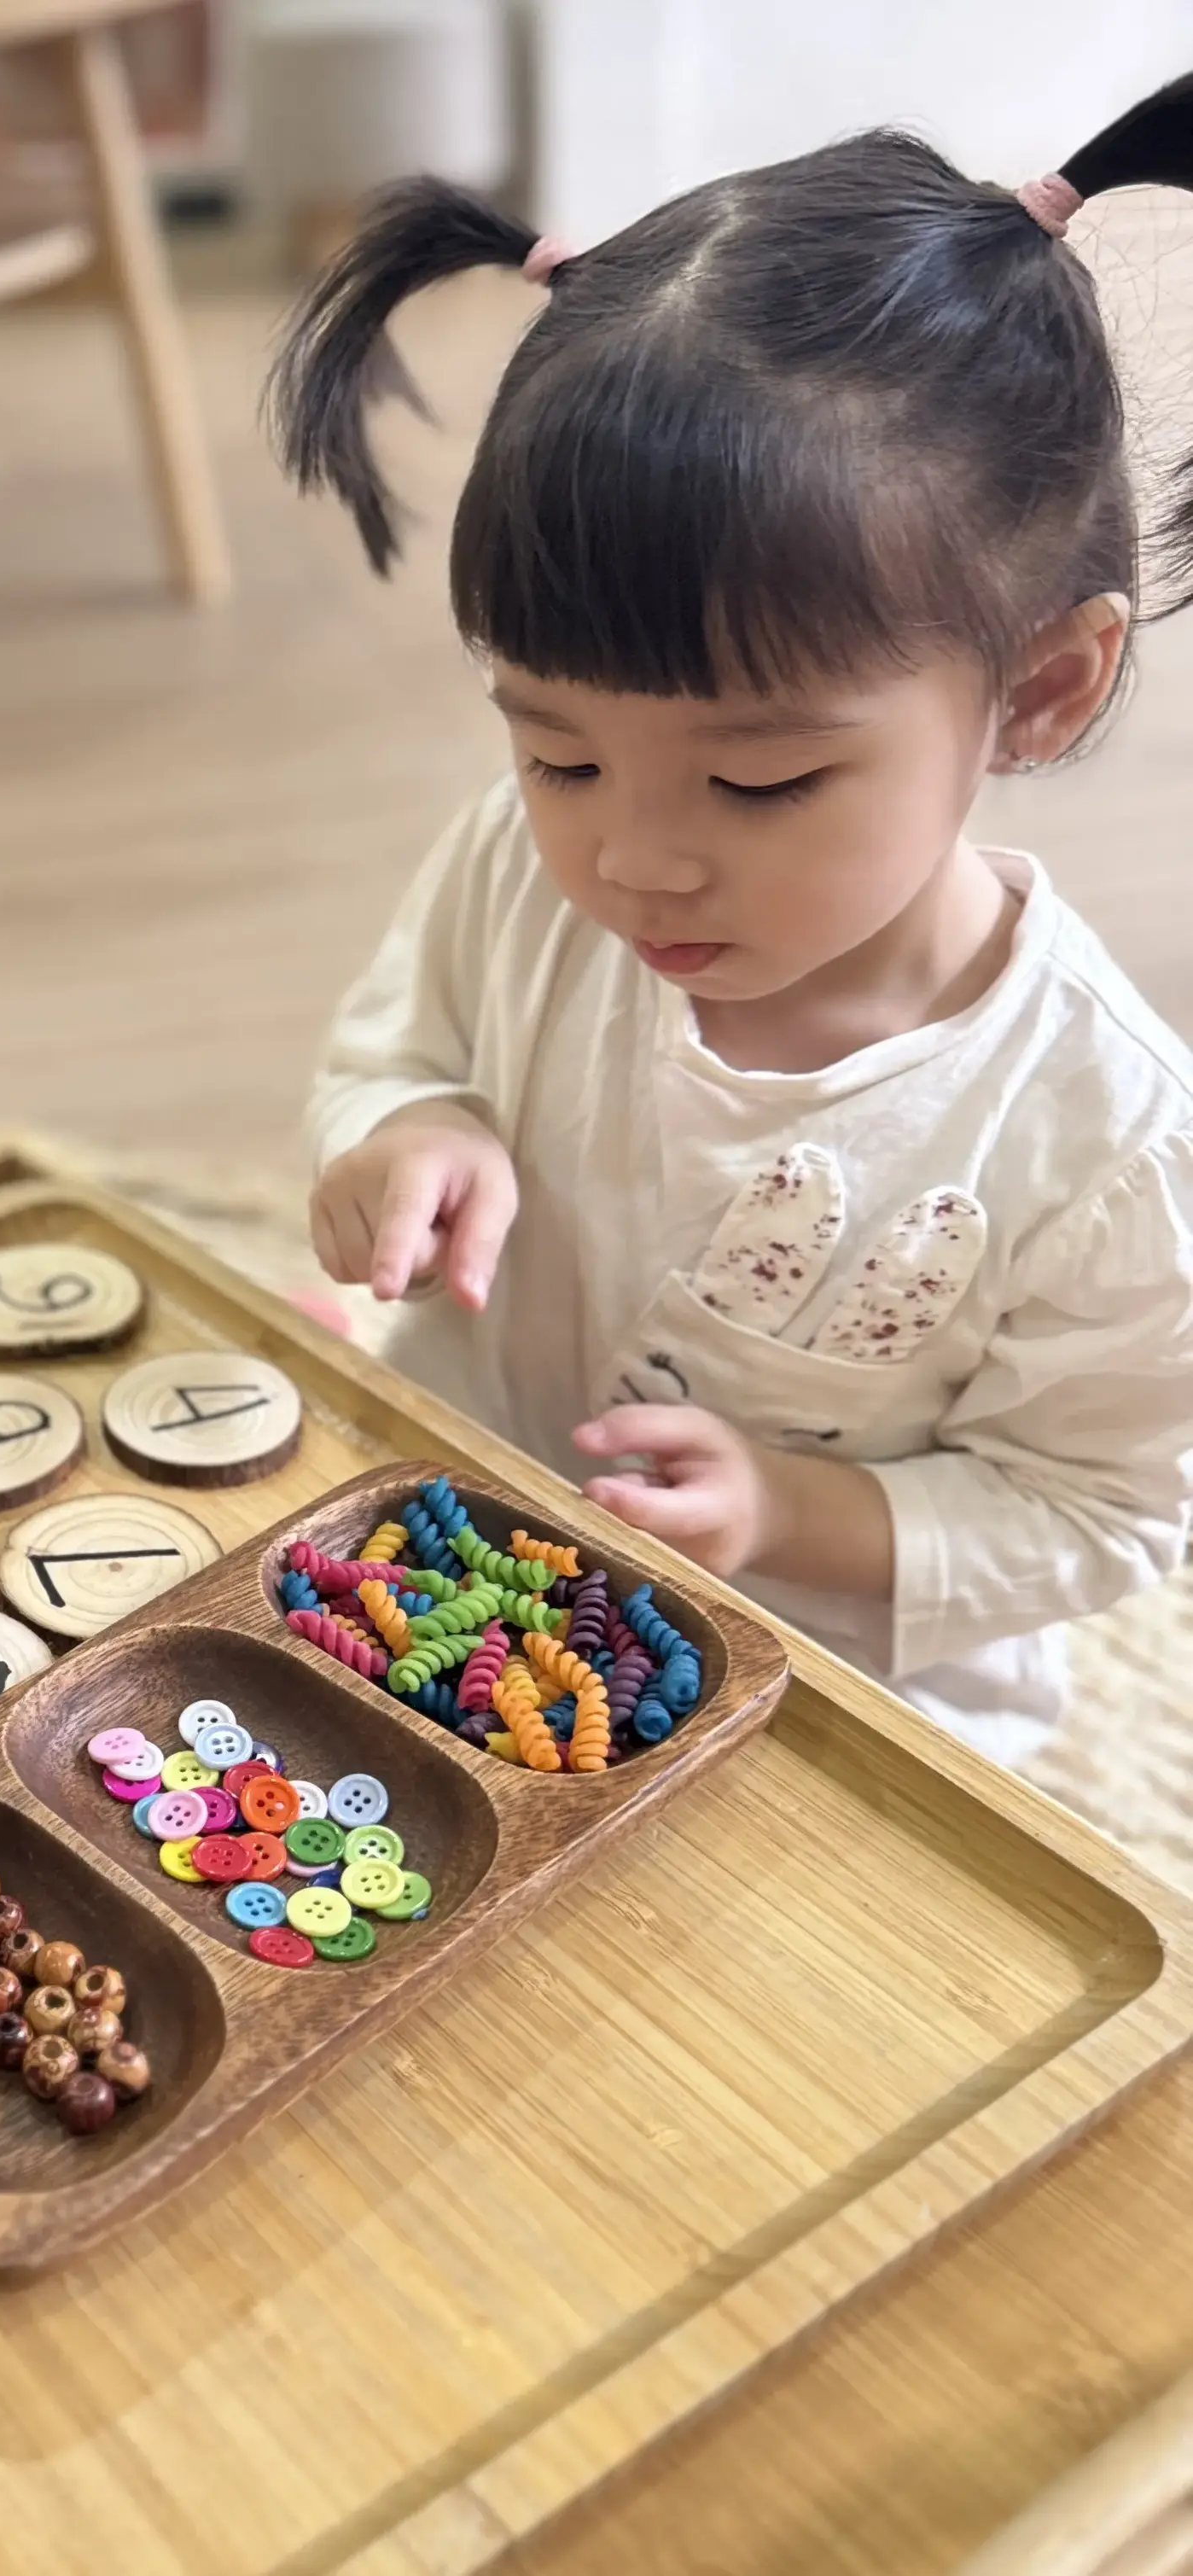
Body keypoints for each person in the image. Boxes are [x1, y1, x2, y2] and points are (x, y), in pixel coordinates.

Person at [272, 78, 1193, 1763]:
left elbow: (1097, 1516)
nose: (633, 863)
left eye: (759, 786)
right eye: (555, 749)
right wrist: (408, 1128)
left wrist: (794, 1509)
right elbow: (391, 1044)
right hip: (458, 1591)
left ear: (1041, 691)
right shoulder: (515, 870)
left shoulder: (1108, 1142)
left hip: (838, 1710)